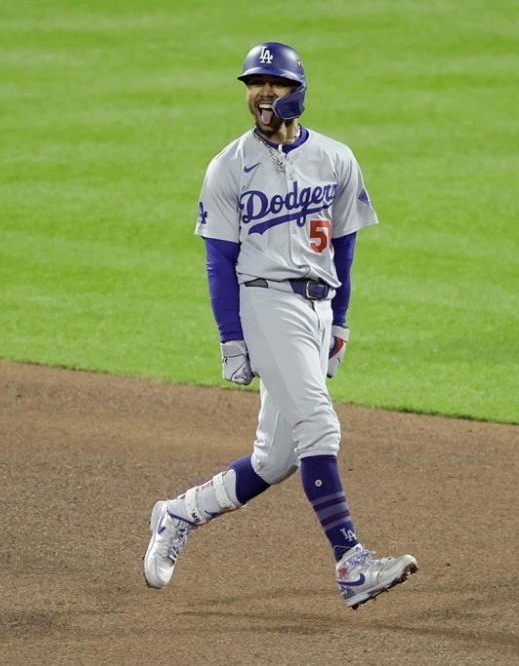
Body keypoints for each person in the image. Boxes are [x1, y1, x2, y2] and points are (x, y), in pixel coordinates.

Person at [143, 41, 417, 610]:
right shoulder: (228, 167)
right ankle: (351, 563)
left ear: (298, 91)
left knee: (275, 458)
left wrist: (339, 323)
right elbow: (218, 259)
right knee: (321, 425)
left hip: (317, 310)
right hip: (264, 304)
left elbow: (345, 249)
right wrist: (231, 338)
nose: (262, 92)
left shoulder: (337, 159)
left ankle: (177, 513)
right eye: (253, 83)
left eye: (274, 83)